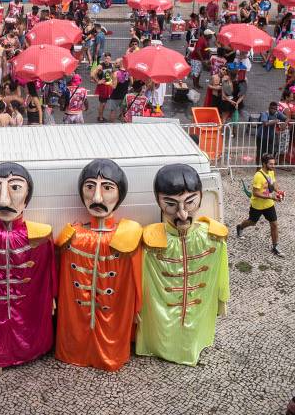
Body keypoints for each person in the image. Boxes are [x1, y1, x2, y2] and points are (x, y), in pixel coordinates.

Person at [0, 162, 56, 369]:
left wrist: (51, 297)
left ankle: (25, 350)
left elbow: (48, 272)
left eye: (15, 188)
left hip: (27, 308)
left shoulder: (40, 236)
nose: (4, 199)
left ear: (27, 198)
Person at [136, 164, 229, 366]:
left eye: (190, 202)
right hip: (161, 323)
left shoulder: (213, 237)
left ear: (201, 197)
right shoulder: (150, 242)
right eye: (171, 204)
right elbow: (139, 279)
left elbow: (221, 274)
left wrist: (222, 299)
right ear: (158, 202)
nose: (182, 214)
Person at [55, 159, 142, 371]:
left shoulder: (126, 236)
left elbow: (136, 278)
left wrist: (137, 308)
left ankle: (108, 354)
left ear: (120, 193)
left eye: (107, 188)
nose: (97, 197)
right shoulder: (72, 236)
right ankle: (77, 351)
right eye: (90, 187)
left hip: (113, 319)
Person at [236, 154, 284, 257]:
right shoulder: (258, 176)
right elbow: (255, 193)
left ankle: (275, 246)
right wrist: (272, 197)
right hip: (257, 205)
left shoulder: (271, 171)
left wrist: (278, 190)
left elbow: (273, 183)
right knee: (252, 222)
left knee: (274, 224)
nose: (273, 166)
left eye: (273, 163)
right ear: (264, 164)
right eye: (270, 164)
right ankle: (240, 227)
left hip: (269, 205)